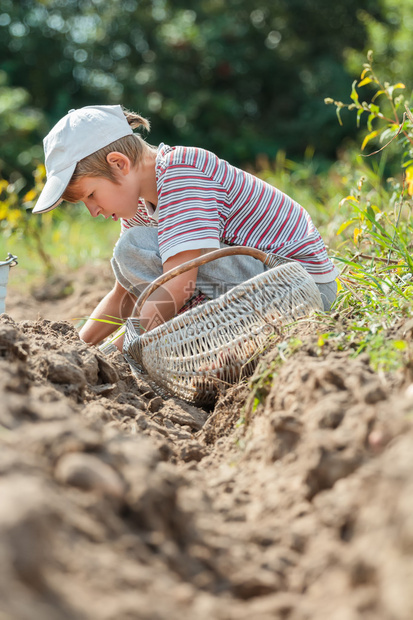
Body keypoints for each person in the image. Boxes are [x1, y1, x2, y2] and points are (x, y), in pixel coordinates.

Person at [32, 104, 338, 350]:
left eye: (91, 195)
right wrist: (76, 348)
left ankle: (202, 336)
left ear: (119, 164)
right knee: (133, 253)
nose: (94, 211)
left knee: (136, 251)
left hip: (300, 288)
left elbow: (178, 284)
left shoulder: (182, 173)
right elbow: (124, 295)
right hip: (257, 283)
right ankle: (205, 334)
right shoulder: (138, 204)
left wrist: (124, 350)